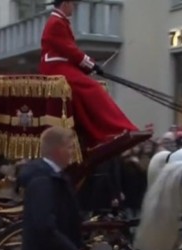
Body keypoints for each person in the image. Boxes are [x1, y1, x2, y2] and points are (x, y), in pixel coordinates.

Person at [40, 0, 151, 155]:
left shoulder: (58, 21)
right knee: (92, 88)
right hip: (56, 68)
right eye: (73, 4)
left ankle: (104, 130)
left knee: (91, 86)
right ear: (65, 3)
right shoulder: (56, 22)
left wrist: (88, 66)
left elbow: (69, 51)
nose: (74, 7)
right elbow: (70, 50)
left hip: (61, 65)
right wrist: (90, 65)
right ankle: (114, 129)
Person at [17, 126, 84, 250]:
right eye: (69, 147)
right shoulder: (43, 180)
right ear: (58, 150)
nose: (72, 152)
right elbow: (44, 226)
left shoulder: (47, 176)